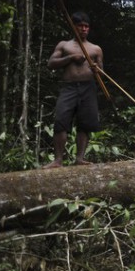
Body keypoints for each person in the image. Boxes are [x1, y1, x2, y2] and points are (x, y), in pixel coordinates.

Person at [43, 12, 103, 169]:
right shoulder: (64, 45)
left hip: (88, 87)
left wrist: (96, 69)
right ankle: (57, 160)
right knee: (61, 120)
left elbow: (101, 74)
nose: (84, 29)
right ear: (74, 27)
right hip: (69, 87)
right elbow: (51, 63)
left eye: (86, 26)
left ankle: (80, 158)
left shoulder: (96, 49)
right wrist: (70, 58)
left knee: (85, 124)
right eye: (80, 26)